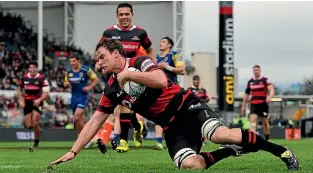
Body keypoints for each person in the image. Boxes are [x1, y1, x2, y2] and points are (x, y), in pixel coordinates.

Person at [50, 39, 299, 171]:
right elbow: (95, 120)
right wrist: (74, 150)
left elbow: (159, 80)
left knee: (223, 134)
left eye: (101, 57)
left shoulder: (140, 61)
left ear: (116, 54)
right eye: (96, 60)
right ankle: (229, 153)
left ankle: (282, 152)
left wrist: (130, 75)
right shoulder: (112, 89)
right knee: (191, 165)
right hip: (172, 127)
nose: (98, 64)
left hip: (187, 107)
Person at [96, 2, 155, 153]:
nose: (124, 17)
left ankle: (123, 140)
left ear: (132, 15)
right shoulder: (108, 33)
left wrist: (152, 68)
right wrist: (99, 63)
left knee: (123, 106)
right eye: (121, 14)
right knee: (123, 107)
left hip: (133, 75)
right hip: (114, 75)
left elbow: (150, 49)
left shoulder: (140, 33)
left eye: (127, 14)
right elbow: (98, 51)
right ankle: (137, 126)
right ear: (117, 16)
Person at [154, 36, 184, 150]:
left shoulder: (174, 55)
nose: (160, 43)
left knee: (174, 117)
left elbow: (182, 70)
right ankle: (159, 143)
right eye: (160, 41)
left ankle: (179, 139)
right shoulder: (156, 58)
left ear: (169, 45)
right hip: (158, 90)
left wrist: (167, 67)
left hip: (172, 90)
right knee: (158, 115)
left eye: (163, 42)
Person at [17, 61, 50, 149]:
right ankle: (39, 129)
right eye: (30, 68)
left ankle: (36, 142)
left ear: (36, 68)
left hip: (37, 101)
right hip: (27, 102)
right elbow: (19, 89)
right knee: (28, 125)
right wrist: (21, 100)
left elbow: (46, 93)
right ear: (28, 69)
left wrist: (39, 100)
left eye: (34, 67)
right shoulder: (24, 78)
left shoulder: (42, 78)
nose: (32, 69)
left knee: (35, 122)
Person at [64, 55, 99, 137]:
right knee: (79, 120)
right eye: (71, 62)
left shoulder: (86, 70)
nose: (72, 63)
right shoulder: (69, 72)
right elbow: (66, 82)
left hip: (82, 97)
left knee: (76, 117)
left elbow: (96, 80)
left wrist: (89, 87)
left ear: (78, 61)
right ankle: (82, 138)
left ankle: (87, 137)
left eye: (73, 61)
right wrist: (66, 84)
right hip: (73, 97)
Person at [241, 65, 274, 140]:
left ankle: (267, 139)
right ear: (253, 71)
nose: (256, 71)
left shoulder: (264, 80)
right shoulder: (250, 82)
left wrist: (270, 96)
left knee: (265, 122)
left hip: (263, 104)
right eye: (255, 70)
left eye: (257, 70)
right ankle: (252, 141)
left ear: (260, 71)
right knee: (252, 121)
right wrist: (243, 105)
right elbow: (246, 94)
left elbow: (271, 89)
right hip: (254, 104)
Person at [188, 75, 213, 143]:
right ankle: (192, 139)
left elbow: (205, 100)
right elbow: (190, 98)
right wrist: (198, 90)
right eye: (196, 80)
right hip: (193, 109)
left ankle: (203, 140)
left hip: (202, 108)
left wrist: (209, 98)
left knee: (202, 123)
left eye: (198, 80)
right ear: (193, 81)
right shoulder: (189, 89)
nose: (197, 81)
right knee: (193, 125)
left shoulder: (203, 90)